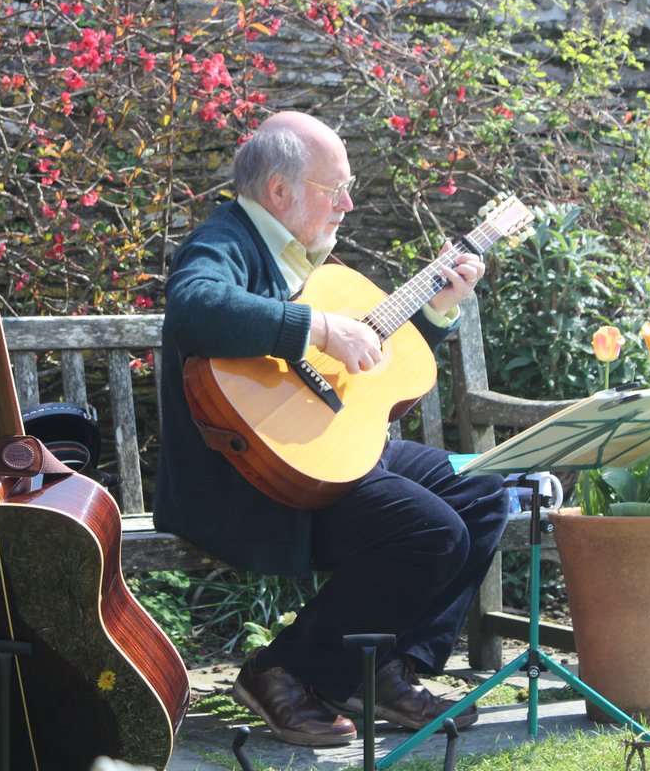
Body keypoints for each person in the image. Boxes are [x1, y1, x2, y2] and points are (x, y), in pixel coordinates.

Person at [151, 110, 508, 747]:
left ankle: (385, 670)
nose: (346, 203)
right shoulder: (226, 241)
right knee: (428, 530)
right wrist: (317, 328)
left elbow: (363, 365)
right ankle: (280, 668)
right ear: (279, 191)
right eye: (333, 188)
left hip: (326, 455)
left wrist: (436, 307)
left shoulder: (304, 260)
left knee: (484, 494)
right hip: (251, 478)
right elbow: (193, 305)